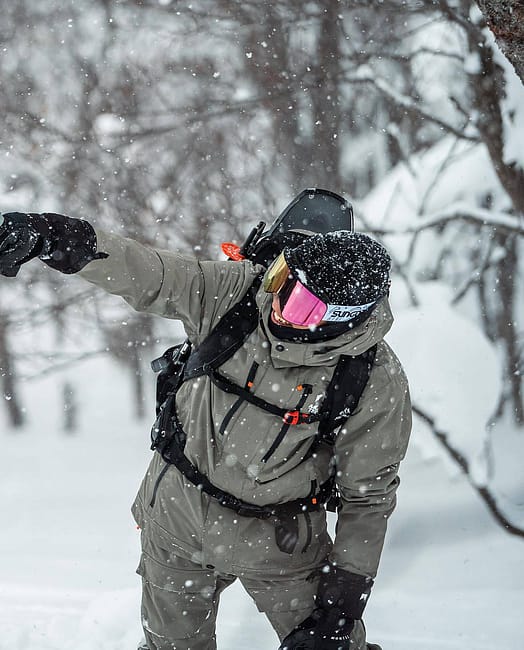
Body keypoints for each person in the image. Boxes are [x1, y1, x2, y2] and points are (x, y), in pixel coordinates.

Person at [0, 193, 411, 650]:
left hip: (281, 544)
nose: (275, 301)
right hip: (177, 519)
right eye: (280, 279)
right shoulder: (240, 295)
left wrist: (341, 608)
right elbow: (149, 272)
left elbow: (367, 499)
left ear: (336, 320)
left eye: (297, 306)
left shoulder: (370, 379)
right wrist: (56, 237)